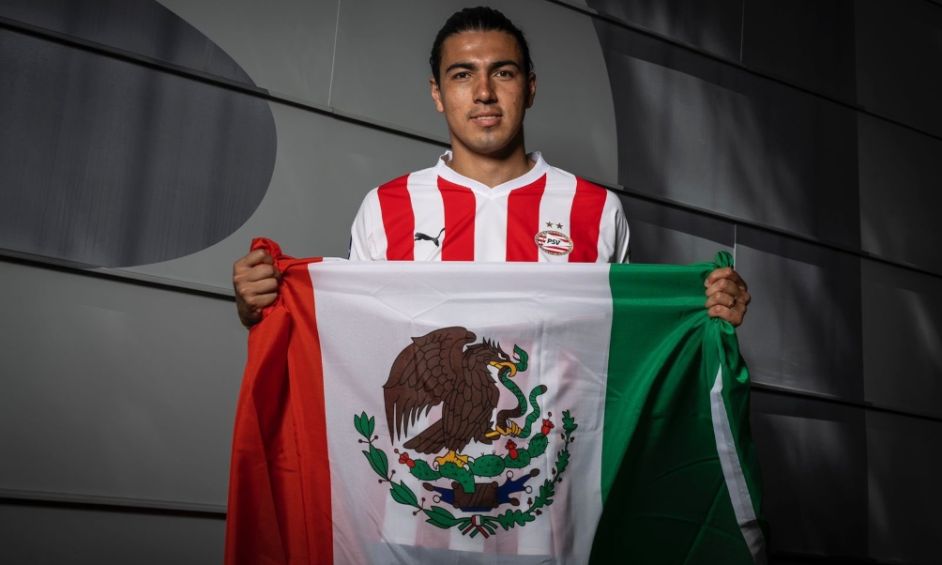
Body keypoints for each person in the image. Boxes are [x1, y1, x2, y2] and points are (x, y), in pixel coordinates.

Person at [233, 6, 750, 327]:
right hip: (422, 464)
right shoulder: (386, 208)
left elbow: (631, 341)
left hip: (559, 464)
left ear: (530, 87)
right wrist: (263, 306)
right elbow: (347, 334)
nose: (483, 92)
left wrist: (704, 312)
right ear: (438, 93)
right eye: (462, 75)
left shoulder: (596, 210)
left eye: (502, 73)